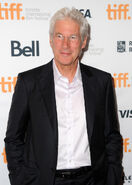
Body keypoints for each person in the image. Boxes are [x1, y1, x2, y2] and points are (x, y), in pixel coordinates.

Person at [4, 7, 123, 185]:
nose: (65, 45)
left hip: (92, 180)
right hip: (45, 181)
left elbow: (111, 135)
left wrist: (112, 177)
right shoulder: (29, 82)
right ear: (51, 40)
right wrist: (21, 179)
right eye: (59, 36)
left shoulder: (101, 81)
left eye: (73, 37)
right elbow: (14, 138)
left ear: (83, 42)